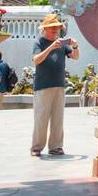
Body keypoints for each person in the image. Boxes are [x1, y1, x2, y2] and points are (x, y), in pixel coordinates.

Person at [29, 13, 79, 156]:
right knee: (41, 117)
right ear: (45, 29)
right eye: (52, 28)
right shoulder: (39, 42)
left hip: (59, 85)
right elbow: (36, 60)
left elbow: (75, 57)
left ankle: (56, 146)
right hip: (43, 85)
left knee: (58, 118)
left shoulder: (62, 43)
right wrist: (51, 47)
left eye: (56, 28)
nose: (55, 31)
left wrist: (75, 46)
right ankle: (36, 147)